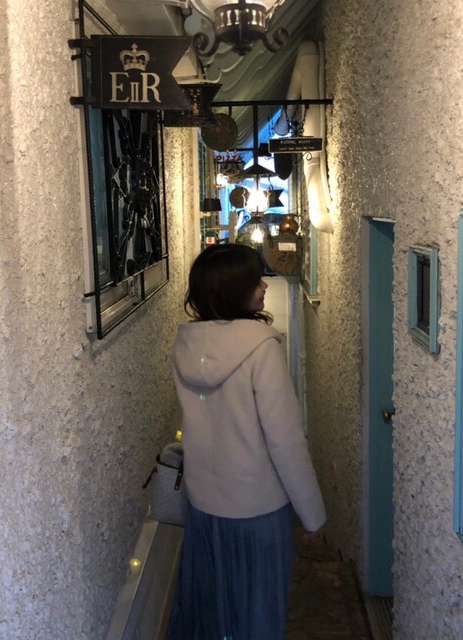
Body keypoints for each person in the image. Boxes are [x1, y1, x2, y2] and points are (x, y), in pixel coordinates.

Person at [166, 243, 326, 640]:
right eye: (256, 281)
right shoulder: (261, 349)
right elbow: (285, 441)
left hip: (204, 505)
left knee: (216, 609)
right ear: (234, 290)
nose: (264, 286)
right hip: (258, 510)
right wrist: (312, 514)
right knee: (258, 610)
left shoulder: (185, 346)